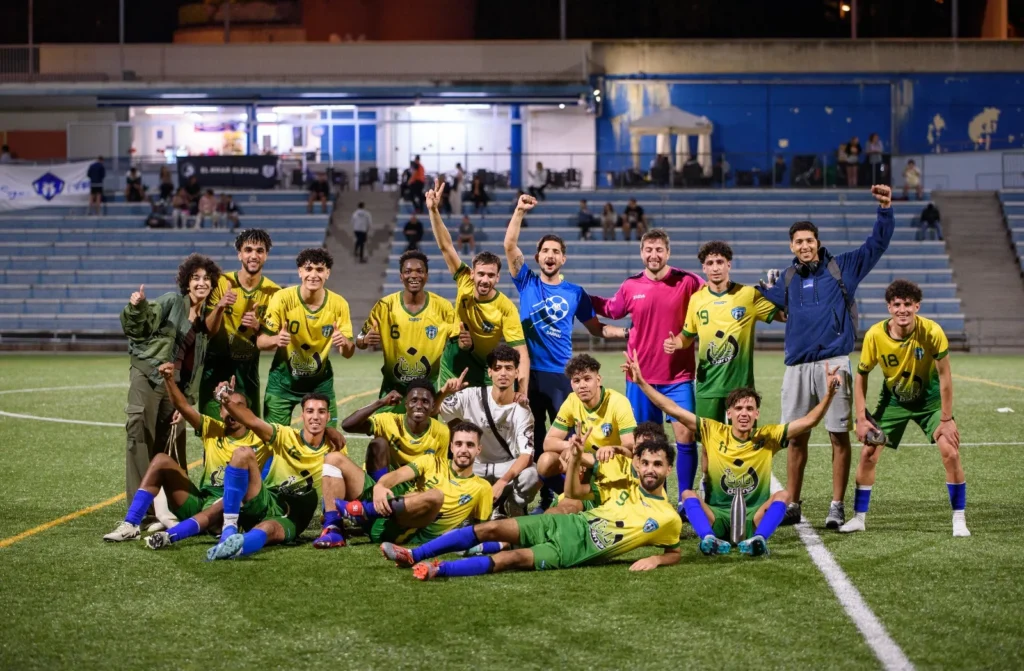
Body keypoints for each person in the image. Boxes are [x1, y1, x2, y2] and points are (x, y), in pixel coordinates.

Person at [758, 184, 894, 527]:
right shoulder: (787, 279)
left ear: (817, 242)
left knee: (838, 435)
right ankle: (793, 502)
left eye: (809, 240)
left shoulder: (842, 267)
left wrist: (885, 210)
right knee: (795, 438)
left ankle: (836, 505)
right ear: (791, 247)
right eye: (798, 242)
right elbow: (758, 301)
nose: (804, 246)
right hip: (796, 367)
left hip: (834, 363)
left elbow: (876, 244)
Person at [624, 351, 842, 556]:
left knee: (785, 495)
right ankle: (709, 540)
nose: (744, 414)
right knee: (688, 495)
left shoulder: (768, 436)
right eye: (738, 409)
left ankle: (758, 540)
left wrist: (830, 394)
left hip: (753, 516)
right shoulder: (713, 430)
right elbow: (673, 409)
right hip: (717, 515)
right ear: (729, 413)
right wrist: (642, 382)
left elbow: (809, 421)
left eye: (749, 409)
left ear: (757, 414)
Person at [379, 440, 681, 579]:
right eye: (646, 463)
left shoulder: (667, 517)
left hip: (571, 552)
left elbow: (675, 553)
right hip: (561, 525)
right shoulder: (621, 488)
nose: (650, 469)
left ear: (668, 469)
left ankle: (439, 570)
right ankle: (413, 555)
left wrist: (655, 559)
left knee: (510, 559)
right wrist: (575, 457)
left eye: (658, 464)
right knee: (490, 528)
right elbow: (575, 493)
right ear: (638, 465)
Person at [504, 193, 626, 487]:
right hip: (527, 374)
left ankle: (569, 489)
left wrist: (628, 333)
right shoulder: (527, 281)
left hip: (561, 375)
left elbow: (597, 329)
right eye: (545, 250)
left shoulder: (575, 292)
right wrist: (519, 210)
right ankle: (537, 491)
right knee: (530, 436)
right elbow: (509, 245)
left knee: (565, 440)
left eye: (556, 251)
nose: (550, 255)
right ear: (537, 257)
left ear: (563, 258)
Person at [841, 280, 969, 537]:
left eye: (908, 304)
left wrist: (946, 419)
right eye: (897, 304)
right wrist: (861, 418)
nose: (902, 309)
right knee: (868, 453)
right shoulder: (875, 335)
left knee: (950, 452)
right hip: (893, 402)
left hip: (930, 402)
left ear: (917, 306)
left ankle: (959, 519)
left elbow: (945, 377)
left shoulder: (932, 331)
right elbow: (861, 376)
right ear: (889, 307)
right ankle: (859, 517)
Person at [590, 229, 703, 507]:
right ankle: (649, 499)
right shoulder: (631, 286)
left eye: (659, 250)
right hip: (640, 378)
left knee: (686, 434)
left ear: (668, 253)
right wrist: (579, 296)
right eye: (649, 250)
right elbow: (611, 309)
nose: (654, 255)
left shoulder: (687, 281)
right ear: (642, 253)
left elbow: (713, 292)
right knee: (643, 441)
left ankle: (686, 499)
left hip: (678, 377)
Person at [103, 363, 270, 544]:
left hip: (240, 504)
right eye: (228, 406)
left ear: (248, 413)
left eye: (240, 406)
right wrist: (168, 379)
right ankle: (131, 524)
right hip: (203, 502)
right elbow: (181, 405)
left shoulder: (261, 438)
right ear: (221, 411)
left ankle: (210, 526)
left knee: (230, 498)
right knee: (160, 460)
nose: (233, 411)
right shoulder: (211, 428)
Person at [120, 253, 220, 526]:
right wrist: (136, 307)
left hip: (174, 386)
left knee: (173, 442)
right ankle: (141, 513)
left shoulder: (204, 324)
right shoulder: (171, 301)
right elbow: (141, 327)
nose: (201, 283)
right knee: (140, 434)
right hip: (149, 375)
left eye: (206, 279)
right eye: (195, 278)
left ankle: (178, 510)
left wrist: (185, 401)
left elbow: (195, 369)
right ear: (186, 282)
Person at [425, 177, 529, 389]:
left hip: (483, 367)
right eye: (481, 274)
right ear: (472, 274)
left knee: (485, 420)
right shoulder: (464, 280)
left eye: (491, 276)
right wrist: (433, 211)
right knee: (447, 419)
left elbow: (521, 352)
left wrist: (523, 392)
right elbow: (446, 246)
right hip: (453, 362)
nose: (485, 280)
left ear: (498, 278)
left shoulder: (506, 308)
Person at [206, 391, 336, 559]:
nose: (315, 417)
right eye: (310, 411)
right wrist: (227, 402)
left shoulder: (334, 449)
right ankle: (228, 528)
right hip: (266, 499)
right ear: (302, 415)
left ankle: (237, 547)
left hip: (292, 515)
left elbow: (336, 486)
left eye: (321, 412)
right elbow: (252, 421)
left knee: (269, 529)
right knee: (242, 453)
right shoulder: (285, 435)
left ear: (328, 416)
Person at [663, 241, 781, 424]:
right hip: (708, 385)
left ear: (729, 265)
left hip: (741, 387)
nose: (715, 267)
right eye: (710, 263)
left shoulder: (748, 295)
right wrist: (675, 342)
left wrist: (778, 296)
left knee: (744, 444)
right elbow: (686, 336)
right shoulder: (697, 299)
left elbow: (785, 316)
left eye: (720, 262)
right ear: (704, 268)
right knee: (708, 448)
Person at [340, 421, 492, 546]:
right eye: (459, 444)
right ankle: (333, 525)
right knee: (335, 459)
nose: (463, 450)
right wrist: (380, 486)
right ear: (451, 447)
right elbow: (397, 475)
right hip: (384, 519)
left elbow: (481, 529)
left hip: (405, 535)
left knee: (436, 495)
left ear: (479, 449)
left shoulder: (482, 488)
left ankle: (364, 510)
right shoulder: (431, 461)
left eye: (470, 445)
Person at [437, 345, 539, 517]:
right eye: (497, 368)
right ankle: (477, 505)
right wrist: (444, 391)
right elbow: (434, 409)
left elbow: (526, 456)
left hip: (506, 466)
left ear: (516, 373)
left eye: (509, 368)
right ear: (490, 372)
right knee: (444, 474)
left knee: (532, 475)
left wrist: (503, 481)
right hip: (475, 466)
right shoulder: (470, 396)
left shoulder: (522, 409)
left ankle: (511, 505)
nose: (503, 373)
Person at [257, 248, 354, 428]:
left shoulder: (339, 304)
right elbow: (261, 341)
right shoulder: (282, 298)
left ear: (327, 273)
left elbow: (348, 352)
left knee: (329, 441)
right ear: (300, 272)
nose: (313, 275)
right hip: (282, 383)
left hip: (320, 384)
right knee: (273, 440)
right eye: (308, 269)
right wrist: (275, 340)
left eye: (319, 270)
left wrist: (344, 343)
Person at [356, 249, 456, 412]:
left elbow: (458, 342)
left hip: (425, 396)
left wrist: (465, 342)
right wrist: (364, 340)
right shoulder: (385, 306)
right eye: (408, 271)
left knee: (423, 437)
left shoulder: (443, 307)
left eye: (419, 271)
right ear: (401, 276)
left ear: (427, 275)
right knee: (382, 437)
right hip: (392, 392)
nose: (414, 275)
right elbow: (359, 339)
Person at [201, 229, 280, 419]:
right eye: (248, 250)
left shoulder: (274, 293)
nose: (254, 255)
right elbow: (207, 331)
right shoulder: (220, 283)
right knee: (212, 431)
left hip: (248, 370)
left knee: (248, 431)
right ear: (239, 254)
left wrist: (257, 327)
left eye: (260, 251)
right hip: (215, 366)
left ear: (266, 255)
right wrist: (220, 307)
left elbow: (270, 344)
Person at [538, 354, 636, 492]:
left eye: (587, 379)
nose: (582, 385)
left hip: (612, 465)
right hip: (585, 463)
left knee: (572, 457)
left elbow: (630, 447)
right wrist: (572, 445)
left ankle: (584, 496)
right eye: (576, 381)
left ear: (598, 380)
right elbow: (548, 442)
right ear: (571, 384)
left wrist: (611, 449)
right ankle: (570, 494)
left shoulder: (618, 402)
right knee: (545, 462)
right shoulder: (572, 401)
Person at [341, 378, 450, 484]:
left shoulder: (442, 432)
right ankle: (378, 494)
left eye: (425, 401)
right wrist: (380, 403)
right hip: (388, 482)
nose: (419, 406)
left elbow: (439, 470)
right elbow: (347, 425)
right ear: (406, 404)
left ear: (433, 406)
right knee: (379, 443)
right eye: (414, 400)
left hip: (418, 487)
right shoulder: (388, 421)